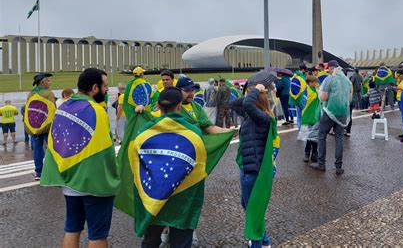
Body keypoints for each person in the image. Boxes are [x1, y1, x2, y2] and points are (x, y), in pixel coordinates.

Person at [138, 87, 235, 247]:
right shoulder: (194, 133)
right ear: (179, 107)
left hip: (154, 196)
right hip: (184, 198)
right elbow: (201, 164)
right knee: (182, 241)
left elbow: (137, 163)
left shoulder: (145, 130)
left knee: (150, 240)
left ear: (159, 106)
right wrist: (228, 133)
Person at [41, 68, 120, 248]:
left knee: (72, 229)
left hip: (69, 182)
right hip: (93, 184)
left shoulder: (63, 108)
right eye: (105, 86)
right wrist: (114, 177)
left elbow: (55, 144)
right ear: (94, 88)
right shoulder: (97, 110)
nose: (107, 90)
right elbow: (105, 150)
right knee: (97, 235)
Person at [229, 82, 278, 248]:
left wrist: (256, 91)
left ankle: (258, 243)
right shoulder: (253, 115)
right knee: (248, 205)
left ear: (257, 100)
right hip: (248, 167)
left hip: (253, 170)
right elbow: (234, 103)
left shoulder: (262, 117)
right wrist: (252, 92)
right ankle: (264, 240)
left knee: (253, 209)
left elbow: (247, 104)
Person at [311, 60, 352, 175]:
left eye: (328, 68)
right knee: (339, 137)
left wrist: (320, 92)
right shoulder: (347, 81)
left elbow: (323, 97)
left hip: (330, 112)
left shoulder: (329, 79)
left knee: (322, 135)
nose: (327, 70)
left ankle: (321, 163)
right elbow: (349, 99)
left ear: (331, 68)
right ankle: (338, 167)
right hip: (343, 113)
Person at [25, 72, 56, 180]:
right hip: (46, 126)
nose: (50, 82)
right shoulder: (49, 94)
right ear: (43, 82)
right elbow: (53, 110)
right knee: (52, 148)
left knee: (37, 150)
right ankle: (53, 171)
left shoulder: (31, 93)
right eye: (48, 80)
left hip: (34, 127)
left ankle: (38, 172)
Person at [299, 75, 321, 163]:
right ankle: (307, 153)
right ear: (309, 83)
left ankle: (314, 153)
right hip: (307, 116)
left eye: (316, 82)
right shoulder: (306, 90)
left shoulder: (317, 89)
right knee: (309, 135)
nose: (316, 83)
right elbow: (303, 103)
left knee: (315, 135)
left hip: (315, 115)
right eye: (314, 82)